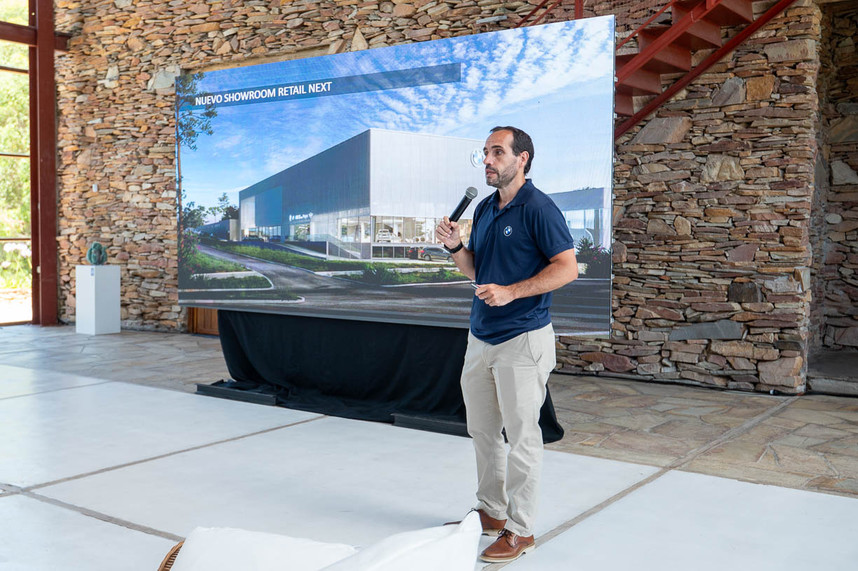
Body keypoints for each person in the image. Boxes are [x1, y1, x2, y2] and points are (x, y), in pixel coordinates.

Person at [436, 126, 578, 563]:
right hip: (481, 337)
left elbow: (567, 268)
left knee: (522, 437)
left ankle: (521, 530)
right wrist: (456, 246)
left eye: (497, 152)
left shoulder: (539, 208)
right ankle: (492, 512)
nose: (488, 160)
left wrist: (512, 292)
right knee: (482, 431)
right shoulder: (484, 208)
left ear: (522, 159)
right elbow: (476, 270)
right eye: (485, 152)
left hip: (523, 339)